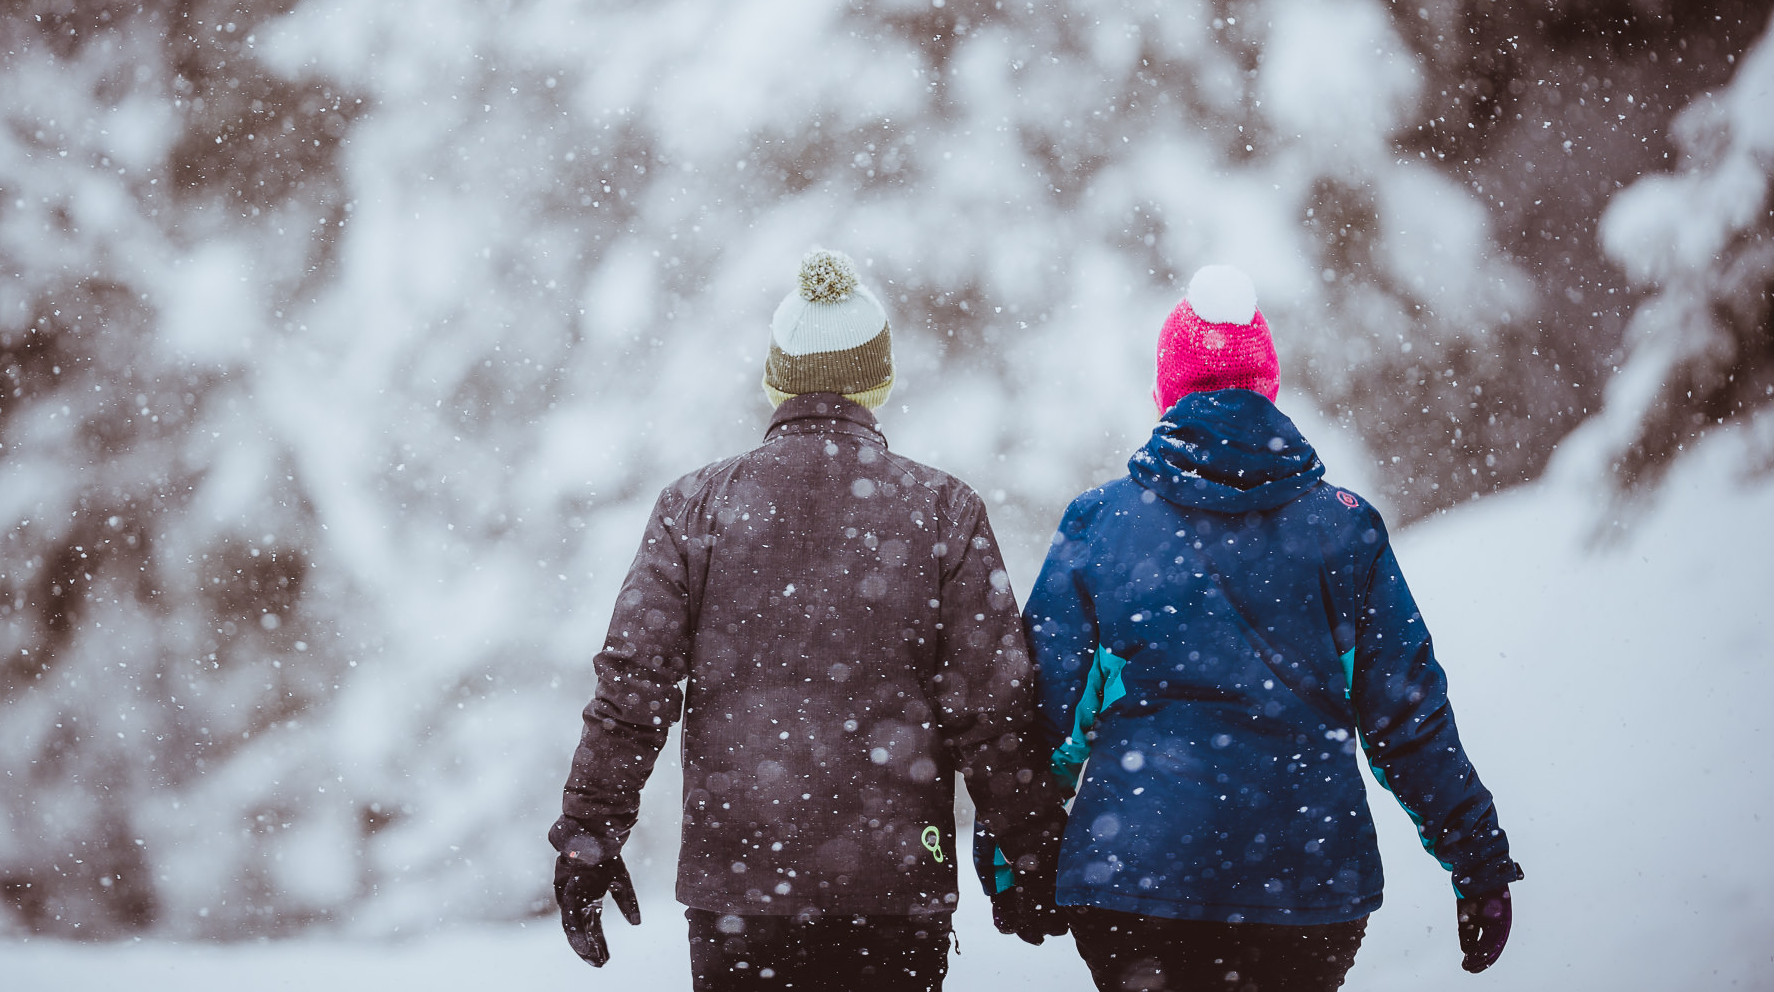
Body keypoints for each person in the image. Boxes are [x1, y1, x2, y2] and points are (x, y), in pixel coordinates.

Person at [550, 249, 1070, 990]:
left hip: (742, 887)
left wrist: (590, 829)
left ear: (776, 380)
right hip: (894, 883)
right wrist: (1029, 843)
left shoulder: (696, 506)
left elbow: (634, 685)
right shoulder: (942, 509)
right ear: (878, 380)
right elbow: (993, 704)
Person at [1016, 265, 1521, 992]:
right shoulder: (1343, 529)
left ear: (1167, 393)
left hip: (1136, 880)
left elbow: (1041, 711)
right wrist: (1477, 860)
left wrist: (1017, 849)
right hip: (1305, 882)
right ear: (1268, 388)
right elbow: (1406, 716)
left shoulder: (1103, 523)